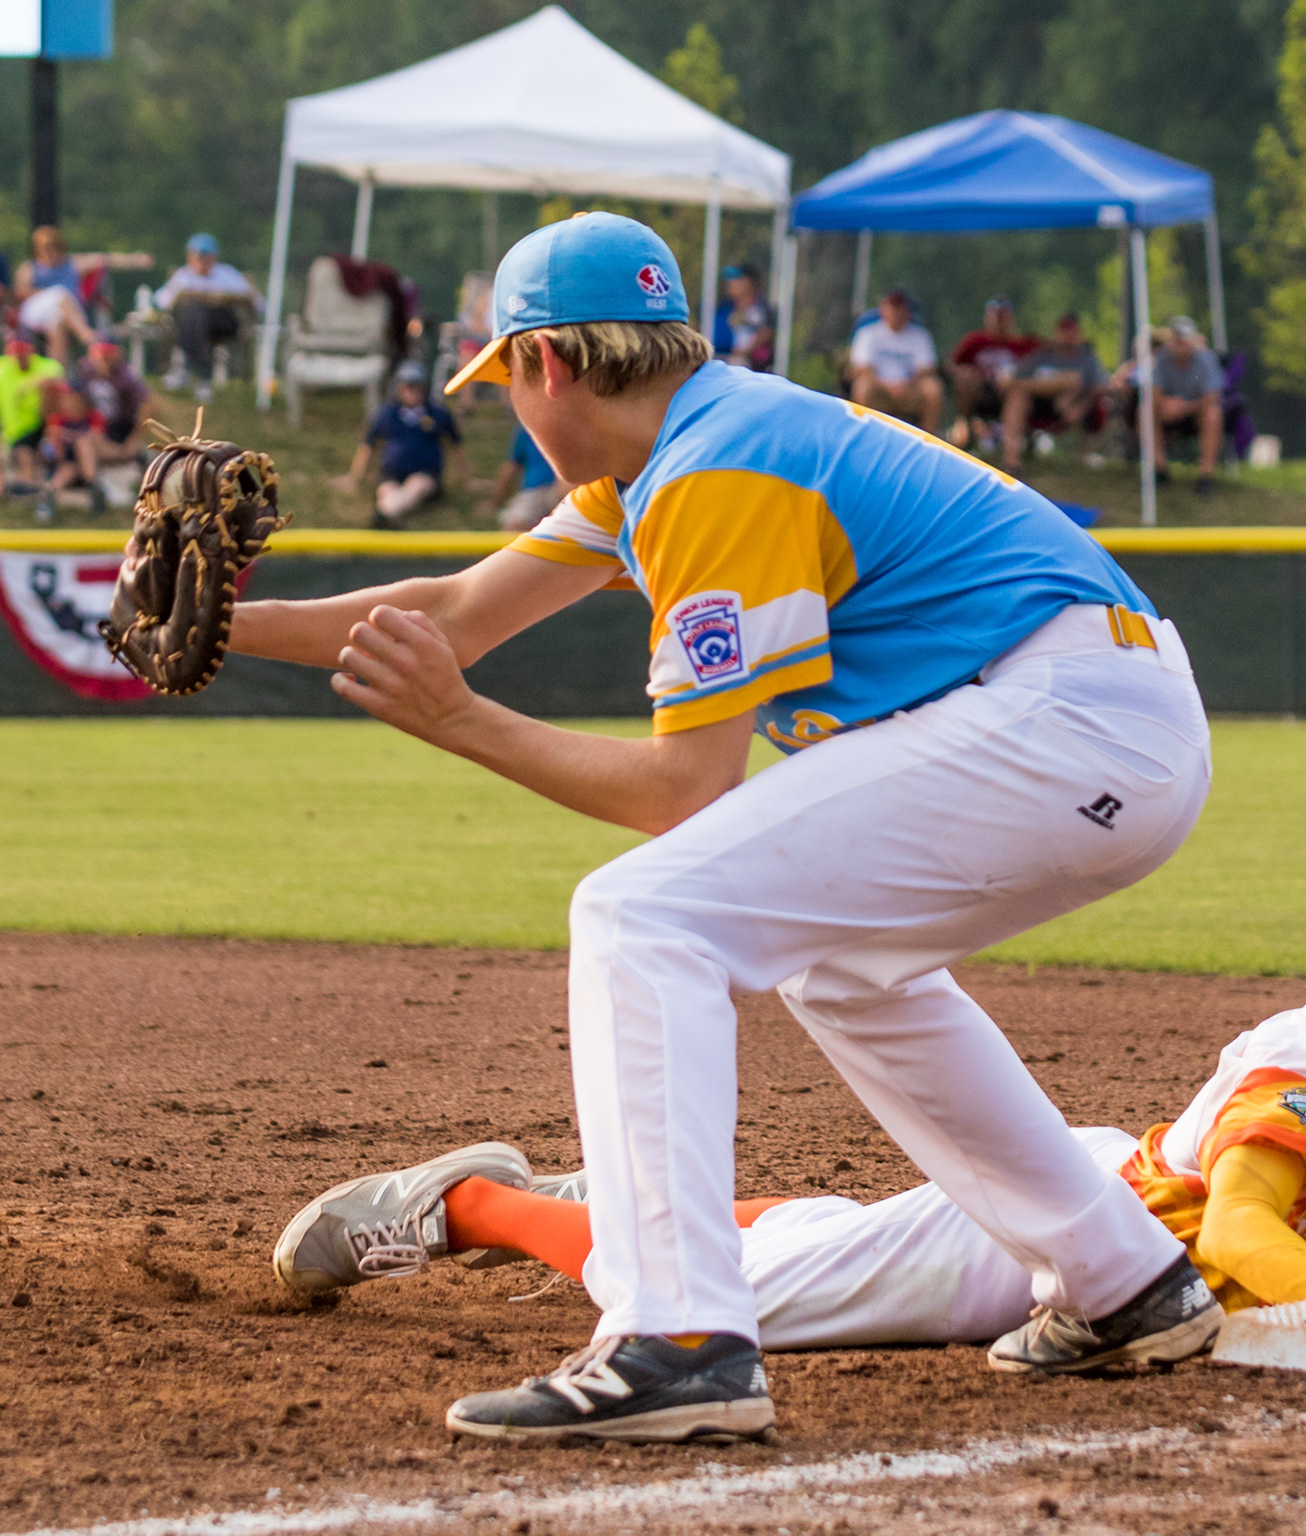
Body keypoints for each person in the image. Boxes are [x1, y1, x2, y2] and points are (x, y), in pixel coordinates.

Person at [229, 212, 1218, 1445]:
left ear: (546, 363)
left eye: (503, 378)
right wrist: (218, 624)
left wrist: (462, 722)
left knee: (640, 912)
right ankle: (1122, 1279)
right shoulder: (680, 450)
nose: (507, 406)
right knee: (842, 968)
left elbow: (681, 791)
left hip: (1065, 721)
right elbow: (452, 610)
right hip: (1094, 716)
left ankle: (679, 1337)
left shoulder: (717, 471)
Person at [274, 821, 1306, 1436]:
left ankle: (594, 1188)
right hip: (1054, 1235)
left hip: (1100, 1274)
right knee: (712, 1294)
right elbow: (1240, 1230)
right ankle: (472, 1205)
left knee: (796, 1244)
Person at [332, 361, 472, 529]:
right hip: (392, 471)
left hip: (426, 472)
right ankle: (387, 516)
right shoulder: (387, 413)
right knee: (386, 490)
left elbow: (455, 446)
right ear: (399, 387)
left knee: (416, 487)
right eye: (408, 386)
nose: (412, 391)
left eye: (417, 386)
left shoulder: (438, 413)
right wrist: (353, 477)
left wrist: (467, 479)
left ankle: (384, 515)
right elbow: (368, 446)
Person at [12, 225, 151, 366]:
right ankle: (87, 336)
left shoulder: (71, 264)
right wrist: (47, 293)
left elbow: (104, 259)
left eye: (53, 246)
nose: (49, 251)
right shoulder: (29, 268)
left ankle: (56, 371)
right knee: (60, 293)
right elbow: (19, 294)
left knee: (57, 323)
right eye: (44, 247)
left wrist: (136, 260)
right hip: (34, 313)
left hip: (63, 315)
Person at [154, 234, 263, 403]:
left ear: (214, 257)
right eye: (198, 257)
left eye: (206, 258)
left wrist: (220, 298)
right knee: (194, 315)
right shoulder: (183, 276)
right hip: (192, 327)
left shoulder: (227, 274)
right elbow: (162, 300)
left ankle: (185, 370)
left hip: (222, 326)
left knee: (199, 316)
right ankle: (203, 378)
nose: (202, 262)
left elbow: (258, 302)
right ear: (190, 257)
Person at [1001, 313, 1105, 475]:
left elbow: (1100, 386)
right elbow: (1017, 374)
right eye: (1063, 330)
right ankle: (1012, 461)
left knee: (1073, 382)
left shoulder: (1087, 357)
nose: (1067, 335)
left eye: (1071, 330)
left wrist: (1082, 406)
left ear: (1078, 332)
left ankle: (1080, 458)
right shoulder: (1044, 353)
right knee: (1018, 397)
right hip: (1040, 405)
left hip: (1071, 406)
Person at [848, 287, 943, 432]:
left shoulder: (920, 336)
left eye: (901, 307)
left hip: (909, 389)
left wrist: (906, 385)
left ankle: (928, 437)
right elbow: (862, 368)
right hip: (880, 389)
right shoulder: (868, 333)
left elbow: (926, 368)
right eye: (893, 307)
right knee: (863, 387)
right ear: (883, 309)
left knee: (933, 389)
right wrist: (887, 386)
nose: (896, 312)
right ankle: (865, 433)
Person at [1146, 316, 1224, 490]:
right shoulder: (1161, 359)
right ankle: (1160, 469)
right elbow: (1153, 393)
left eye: (1184, 340)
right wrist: (1167, 403)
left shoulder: (1206, 359)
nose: (1180, 344)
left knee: (1213, 414)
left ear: (1192, 341)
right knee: (1145, 411)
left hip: (1196, 413)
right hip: (1168, 413)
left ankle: (1205, 475)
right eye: (1177, 340)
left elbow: (1213, 397)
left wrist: (1185, 408)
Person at [948, 298, 1036, 450]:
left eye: (1003, 317)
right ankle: (965, 428)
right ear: (987, 318)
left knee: (1018, 392)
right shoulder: (974, 341)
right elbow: (952, 365)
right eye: (995, 316)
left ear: (1011, 319)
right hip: (981, 391)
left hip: (1010, 392)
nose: (999, 321)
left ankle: (1012, 451)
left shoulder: (1023, 344)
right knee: (966, 377)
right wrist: (969, 374)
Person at [0, 331, 64, 489]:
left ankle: (32, 481)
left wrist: (29, 385)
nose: (19, 356)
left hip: (45, 424)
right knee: (24, 453)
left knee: (52, 390)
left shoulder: (45, 365)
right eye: (16, 351)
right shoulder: (3, 368)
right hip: (17, 432)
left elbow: (57, 377)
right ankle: (27, 485)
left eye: (23, 350)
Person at [71, 340, 150, 464]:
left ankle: (128, 454)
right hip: (93, 425)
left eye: (108, 355)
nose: (104, 360)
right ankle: (129, 455)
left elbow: (151, 405)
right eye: (101, 355)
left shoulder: (126, 377)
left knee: (86, 444)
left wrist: (133, 439)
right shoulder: (85, 371)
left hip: (119, 428)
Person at [484, 421, 569, 533]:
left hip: (541, 490)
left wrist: (496, 502)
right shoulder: (527, 428)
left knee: (514, 527)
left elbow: (511, 469)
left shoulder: (528, 425)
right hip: (565, 490)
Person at [36, 382, 104, 516]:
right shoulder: (57, 418)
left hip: (91, 463)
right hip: (68, 464)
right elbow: (53, 447)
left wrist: (67, 435)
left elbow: (97, 441)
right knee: (68, 469)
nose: (66, 401)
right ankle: (48, 497)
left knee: (83, 444)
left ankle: (93, 486)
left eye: (70, 397)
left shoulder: (92, 417)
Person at [715, 266, 772, 371]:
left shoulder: (761, 308)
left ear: (748, 282)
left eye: (735, 279)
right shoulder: (724, 307)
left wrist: (743, 351)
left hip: (754, 367)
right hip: (724, 361)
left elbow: (766, 333)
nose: (730, 283)